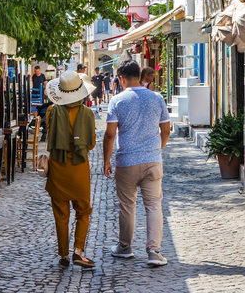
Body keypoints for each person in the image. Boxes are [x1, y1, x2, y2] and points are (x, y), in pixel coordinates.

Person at [104, 59, 171, 266]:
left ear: (121, 79)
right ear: (140, 75)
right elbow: (166, 130)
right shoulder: (157, 98)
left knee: (127, 206)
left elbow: (109, 134)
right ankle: (154, 252)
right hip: (152, 161)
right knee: (153, 205)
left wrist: (106, 160)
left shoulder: (117, 101)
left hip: (127, 161)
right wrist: (156, 151)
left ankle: (125, 247)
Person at [45, 71, 97, 268]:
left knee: (61, 214)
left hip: (58, 170)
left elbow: (50, 137)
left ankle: (63, 256)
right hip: (79, 170)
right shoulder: (88, 114)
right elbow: (90, 144)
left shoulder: (51, 111)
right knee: (83, 212)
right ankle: (78, 251)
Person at [31, 65, 48, 139]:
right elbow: (29, 79)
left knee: (40, 105)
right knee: (34, 104)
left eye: (38, 71)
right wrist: (32, 74)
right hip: (34, 92)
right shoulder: (34, 76)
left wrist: (46, 90)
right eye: (36, 71)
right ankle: (35, 117)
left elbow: (45, 83)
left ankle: (39, 118)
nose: (37, 72)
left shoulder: (42, 76)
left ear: (39, 70)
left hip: (41, 92)